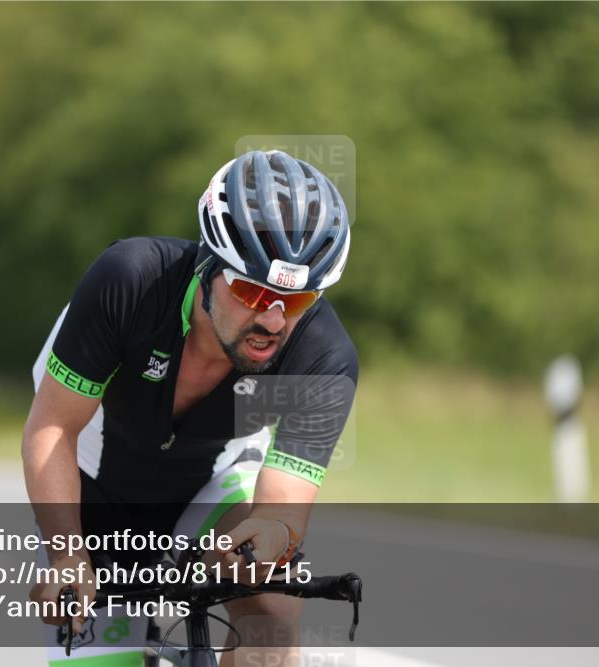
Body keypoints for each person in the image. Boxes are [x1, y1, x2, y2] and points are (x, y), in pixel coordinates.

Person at [22, 149, 358, 666]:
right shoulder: (130, 283)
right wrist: (68, 554)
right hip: (95, 486)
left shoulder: (323, 356)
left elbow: (283, 507)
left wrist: (268, 540)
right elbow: (52, 428)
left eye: (294, 302)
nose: (272, 321)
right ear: (208, 267)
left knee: (273, 606)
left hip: (215, 480)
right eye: (250, 290)